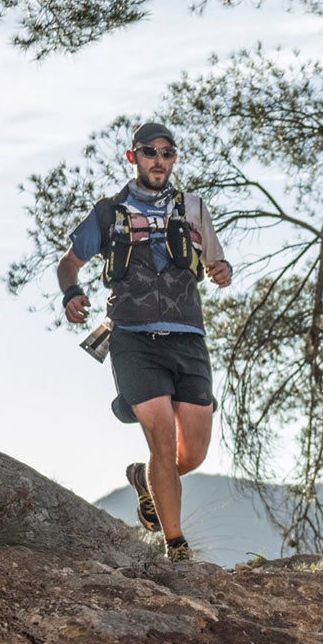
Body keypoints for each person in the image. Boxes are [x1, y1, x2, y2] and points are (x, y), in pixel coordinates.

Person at [58, 121, 233, 562]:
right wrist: (72, 293)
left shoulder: (194, 208)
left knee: (190, 453)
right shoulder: (107, 212)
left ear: (174, 159)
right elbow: (69, 263)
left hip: (188, 337)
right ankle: (176, 546)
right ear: (132, 157)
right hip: (133, 337)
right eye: (150, 152)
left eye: (167, 153)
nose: (159, 160)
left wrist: (221, 270)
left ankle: (145, 479)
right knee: (159, 439)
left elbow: (216, 261)